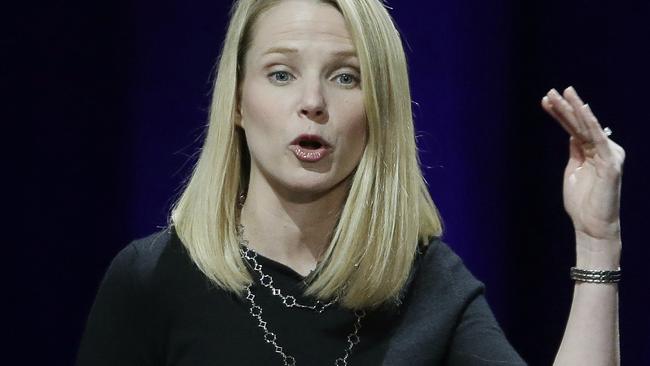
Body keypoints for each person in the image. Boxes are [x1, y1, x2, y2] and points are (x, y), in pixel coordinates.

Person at [76, 0, 625, 365]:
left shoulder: (426, 285)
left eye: (345, 77)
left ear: (378, 110)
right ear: (238, 103)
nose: (312, 103)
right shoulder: (152, 279)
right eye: (281, 73)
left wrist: (598, 240)